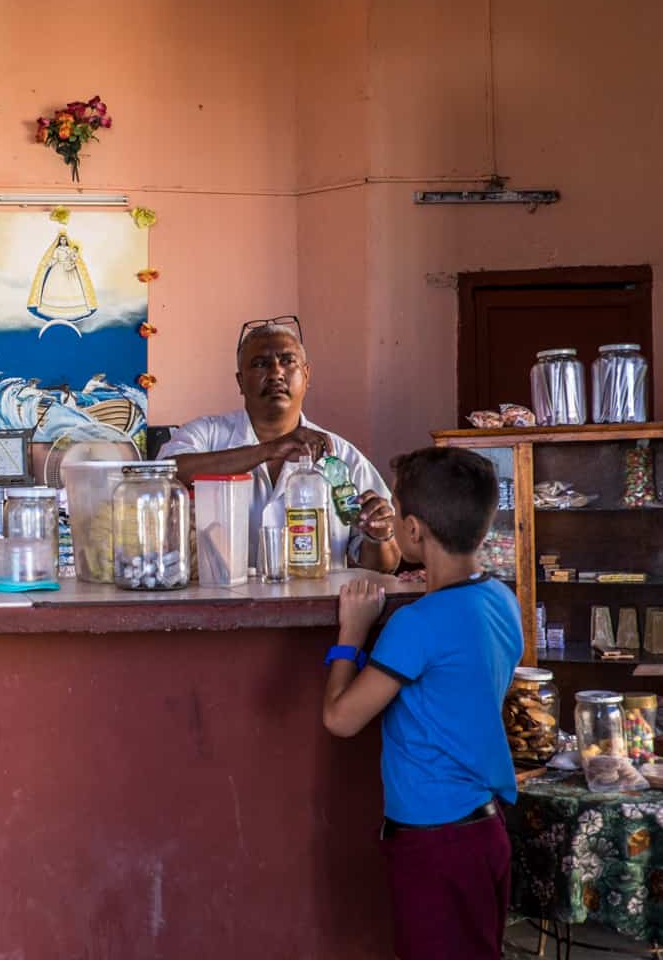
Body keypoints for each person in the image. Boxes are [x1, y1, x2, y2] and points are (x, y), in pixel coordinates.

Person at [322, 447, 523, 959]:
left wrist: (353, 633)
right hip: (484, 828)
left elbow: (341, 719)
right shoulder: (501, 599)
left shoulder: (418, 624)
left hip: (435, 841)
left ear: (412, 531)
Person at [158, 317, 400, 572]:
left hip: (316, 608)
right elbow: (166, 472)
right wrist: (268, 450)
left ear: (306, 375)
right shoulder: (208, 435)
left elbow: (386, 566)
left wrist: (378, 536)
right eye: (260, 364)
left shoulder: (340, 457)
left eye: (287, 361)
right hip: (222, 607)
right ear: (240, 382)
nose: (275, 373)